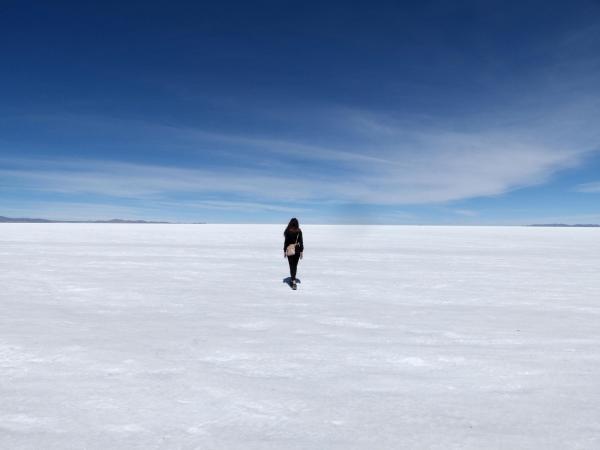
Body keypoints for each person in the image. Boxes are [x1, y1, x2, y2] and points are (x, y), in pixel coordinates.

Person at [283, 218, 304, 290]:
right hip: (297, 250)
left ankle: (293, 280)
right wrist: (301, 251)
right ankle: (293, 279)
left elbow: (286, 242)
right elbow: (301, 242)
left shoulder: (288, 231)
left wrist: (284, 251)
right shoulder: (299, 231)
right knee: (295, 266)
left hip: (290, 250)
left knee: (291, 266)